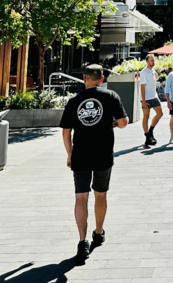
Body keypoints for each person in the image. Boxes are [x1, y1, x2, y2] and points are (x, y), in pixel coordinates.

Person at [61, 64, 129, 264]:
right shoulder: (111, 96)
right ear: (101, 79)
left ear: (85, 79)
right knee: (101, 194)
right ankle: (98, 233)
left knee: (80, 197)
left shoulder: (74, 101)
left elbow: (66, 132)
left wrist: (70, 154)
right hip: (103, 154)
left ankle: (82, 242)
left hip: (80, 154)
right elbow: (124, 121)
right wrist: (112, 123)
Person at [140, 53, 163, 148]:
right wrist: (144, 101)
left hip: (154, 96)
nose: (153, 62)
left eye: (153, 60)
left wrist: (156, 76)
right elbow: (142, 87)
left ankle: (150, 131)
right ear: (147, 61)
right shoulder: (143, 72)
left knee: (160, 113)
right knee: (146, 116)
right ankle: (147, 136)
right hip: (146, 98)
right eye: (151, 60)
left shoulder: (153, 71)